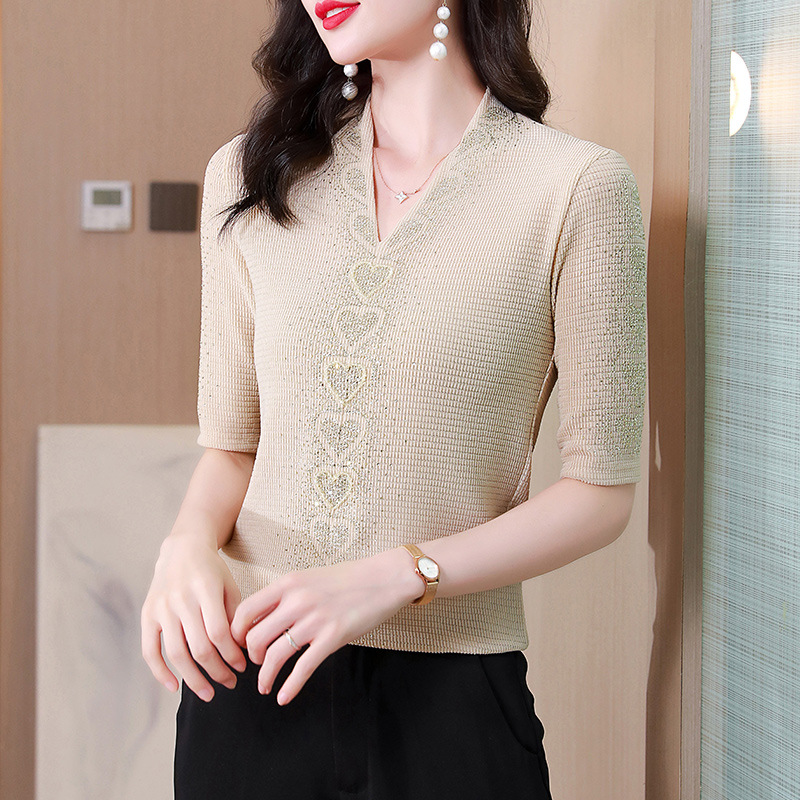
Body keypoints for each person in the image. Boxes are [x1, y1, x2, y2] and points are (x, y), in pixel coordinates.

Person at [140, 0, 648, 797]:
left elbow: (600, 494)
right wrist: (184, 546)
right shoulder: (246, 174)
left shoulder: (576, 188)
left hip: (451, 709)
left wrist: (399, 575)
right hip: (251, 683)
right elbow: (233, 445)